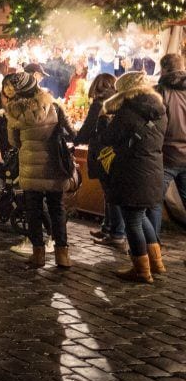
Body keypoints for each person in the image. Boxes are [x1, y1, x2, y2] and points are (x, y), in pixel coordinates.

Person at [97, 72, 167, 282]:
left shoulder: (127, 111)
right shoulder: (160, 110)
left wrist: (102, 122)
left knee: (133, 222)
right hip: (153, 168)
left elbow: (108, 138)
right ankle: (156, 263)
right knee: (141, 215)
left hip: (132, 171)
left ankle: (141, 270)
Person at [6, 72, 76, 269]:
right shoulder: (54, 106)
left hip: (30, 167)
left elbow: (14, 142)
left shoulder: (15, 112)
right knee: (57, 209)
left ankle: (38, 254)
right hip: (54, 164)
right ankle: (62, 255)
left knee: (33, 210)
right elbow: (71, 131)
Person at [74, 74, 124, 253]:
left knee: (111, 192)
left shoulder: (99, 104)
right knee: (110, 191)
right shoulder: (119, 100)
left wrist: (75, 140)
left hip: (103, 153)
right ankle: (108, 228)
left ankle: (116, 233)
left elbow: (88, 128)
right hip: (115, 152)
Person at [155, 53, 186, 225]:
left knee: (155, 201)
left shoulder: (160, 91)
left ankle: (152, 245)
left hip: (167, 154)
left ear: (164, 69)